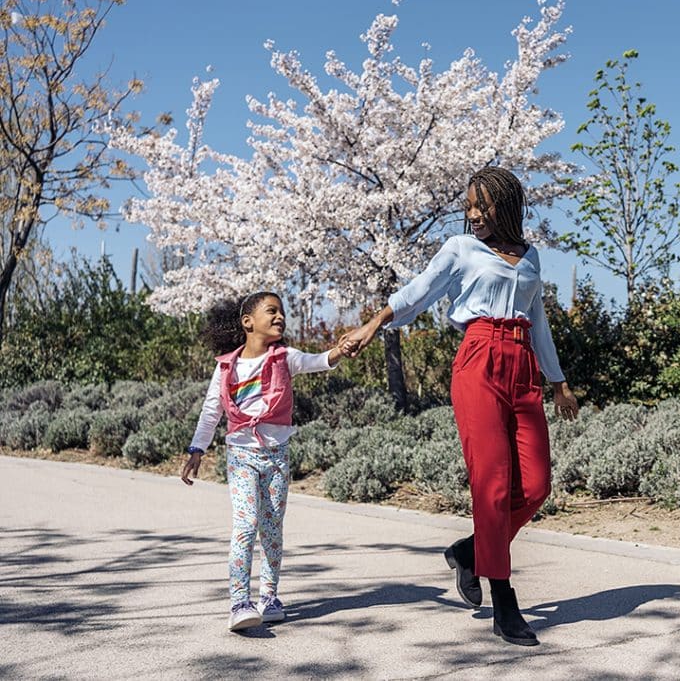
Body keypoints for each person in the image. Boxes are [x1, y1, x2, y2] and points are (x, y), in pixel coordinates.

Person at [340, 166, 579, 646]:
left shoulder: (530, 257)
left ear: (506, 206)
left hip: (523, 363)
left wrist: (559, 381)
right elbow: (419, 290)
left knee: (535, 485)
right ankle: (504, 601)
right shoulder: (460, 249)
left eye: (482, 206)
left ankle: (472, 552)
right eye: (468, 206)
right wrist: (374, 324)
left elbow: (539, 321)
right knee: (492, 484)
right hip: (478, 361)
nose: (473, 215)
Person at [181, 291, 346, 632]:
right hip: (241, 456)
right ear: (247, 322)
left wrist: (340, 351)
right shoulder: (226, 366)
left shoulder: (286, 357)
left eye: (282, 312)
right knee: (246, 525)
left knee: (272, 530)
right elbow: (212, 411)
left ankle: (269, 598)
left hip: (277, 456)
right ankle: (240, 602)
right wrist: (197, 449)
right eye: (271, 311)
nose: (279, 317)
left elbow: (320, 360)